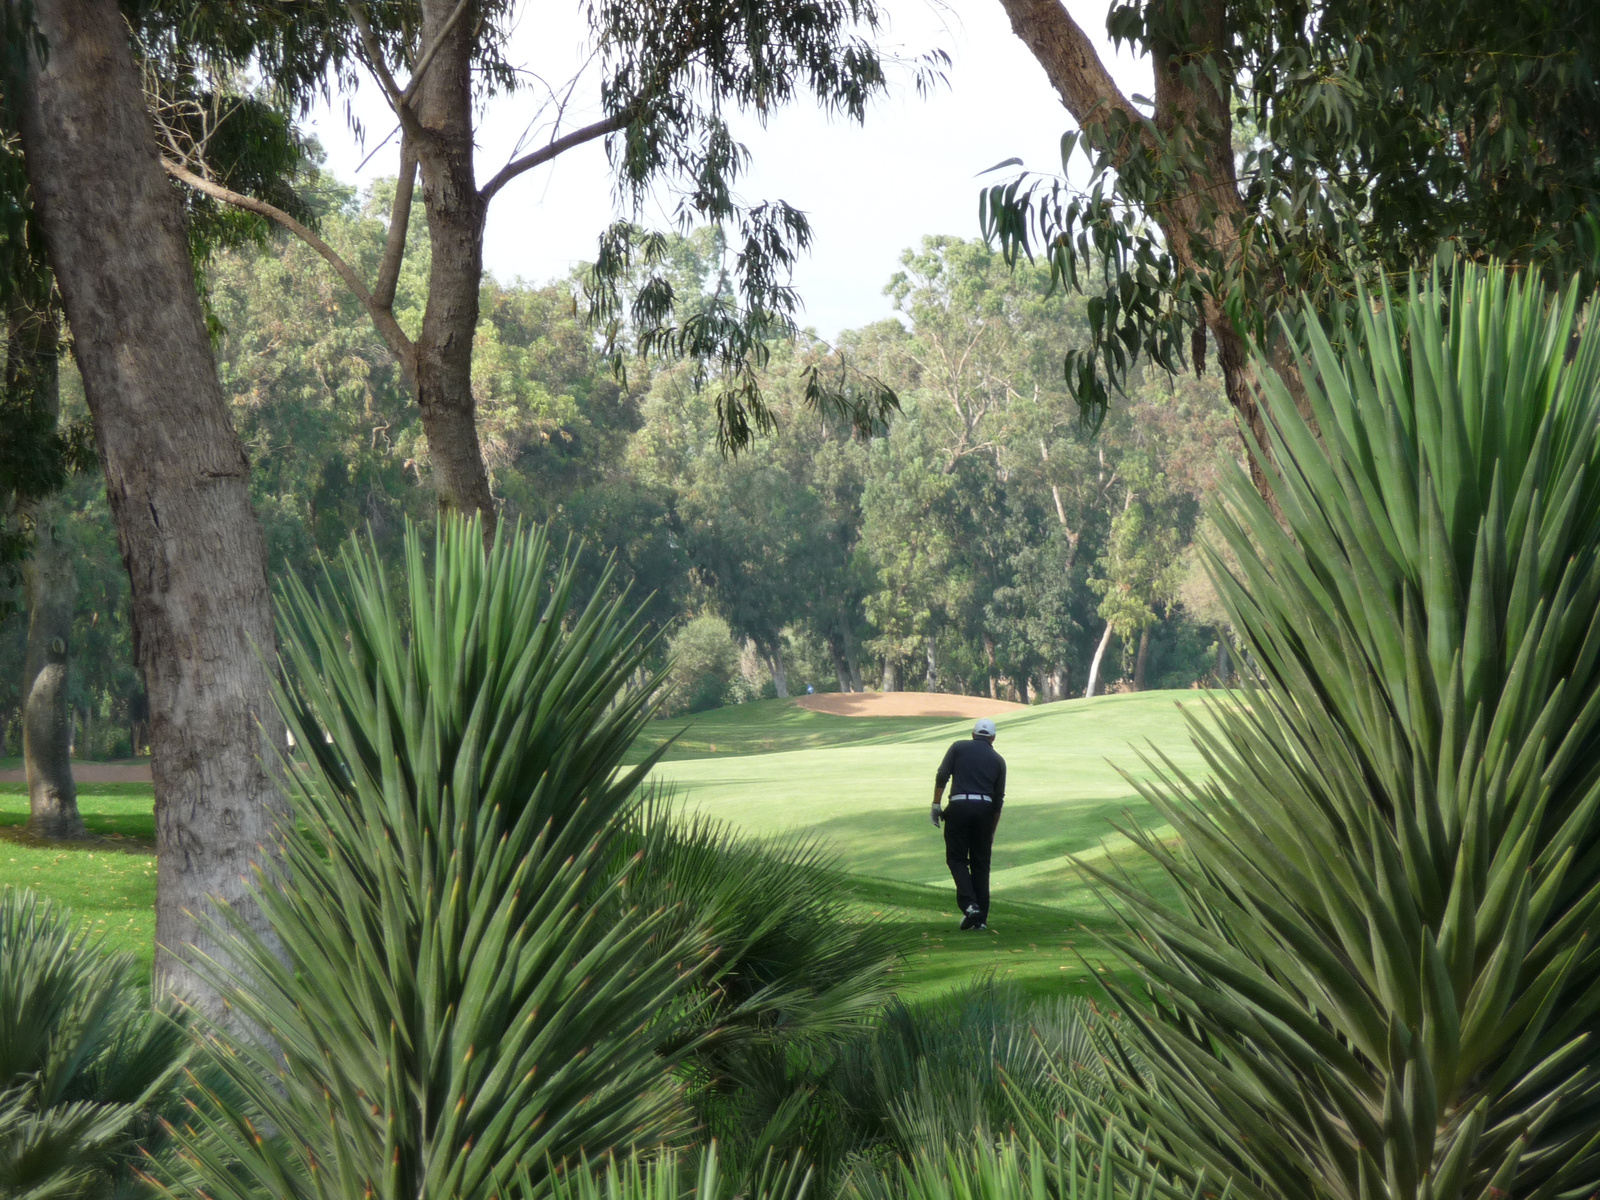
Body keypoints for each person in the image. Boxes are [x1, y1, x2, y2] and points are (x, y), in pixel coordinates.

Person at [931, 717, 1006, 930]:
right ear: (992, 738)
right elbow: (998, 800)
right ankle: (980, 919)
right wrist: (991, 831)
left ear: (973, 734)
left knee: (957, 859)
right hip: (984, 811)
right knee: (981, 864)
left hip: (959, 807)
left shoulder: (958, 747)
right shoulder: (998, 760)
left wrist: (936, 805)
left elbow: (942, 775)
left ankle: (970, 906)